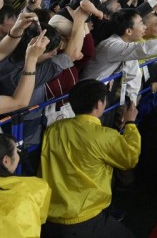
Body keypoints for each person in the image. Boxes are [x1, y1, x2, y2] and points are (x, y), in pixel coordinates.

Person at [40, 79, 140, 237]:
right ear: (99, 104)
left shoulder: (54, 129)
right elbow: (130, 158)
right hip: (86, 219)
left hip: (51, 218)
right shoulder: (105, 136)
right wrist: (130, 124)